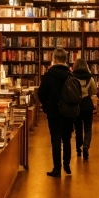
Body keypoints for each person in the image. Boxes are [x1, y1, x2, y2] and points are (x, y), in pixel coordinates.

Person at [38, 47, 74, 177]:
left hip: (53, 112)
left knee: (56, 140)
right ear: (65, 59)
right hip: (68, 111)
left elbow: (41, 93)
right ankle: (67, 166)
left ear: (53, 59)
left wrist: (46, 106)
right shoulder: (70, 74)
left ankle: (57, 169)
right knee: (67, 139)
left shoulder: (49, 75)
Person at [72, 58, 98, 160]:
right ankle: (86, 145)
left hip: (76, 105)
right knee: (88, 128)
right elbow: (94, 90)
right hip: (87, 104)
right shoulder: (90, 78)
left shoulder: (72, 77)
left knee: (78, 128)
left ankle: (78, 149)